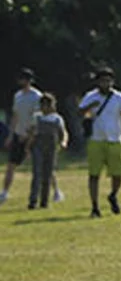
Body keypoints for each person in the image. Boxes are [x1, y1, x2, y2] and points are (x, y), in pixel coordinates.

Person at [79, 67, 121, 218]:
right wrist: (90, 106)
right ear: (97, 82)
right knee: (94, 175)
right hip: (96, 139)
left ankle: (113, 195)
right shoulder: (90, 96)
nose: (106, 84)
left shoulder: (119, 97)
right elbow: (80, 112)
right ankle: (95, 207)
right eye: (103, 81)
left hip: (115, 139)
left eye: (109, 81)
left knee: (118, 174)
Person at [2, 68, 54, 205]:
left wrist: (29, 135)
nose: (22, 81)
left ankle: (55, 191)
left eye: (24, 79)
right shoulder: (18, 95)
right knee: (11, 164)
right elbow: (15, 116)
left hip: (34, 136)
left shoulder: (37, 96)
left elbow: (38, 118)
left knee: (42, 166)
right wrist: (11, 135)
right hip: (18, 134)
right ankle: (5, 192)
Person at [26, 93, 68, 209]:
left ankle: (44, 202)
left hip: (51, 148)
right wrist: (28, 147)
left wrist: (63, 142)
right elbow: (32, 134)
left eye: (47, 105)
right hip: (38, 147)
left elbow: (63, 132)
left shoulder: (57, 118)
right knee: (37, 174)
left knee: (48, 174)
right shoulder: (36, 117)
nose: (45, 108)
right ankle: (33, 201)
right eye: (43, 105)